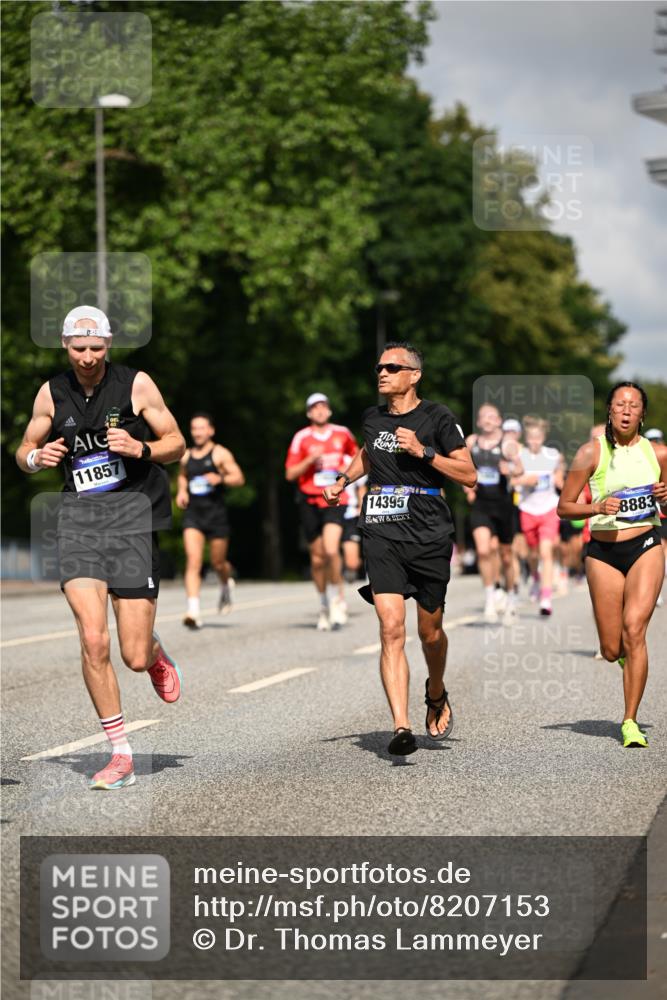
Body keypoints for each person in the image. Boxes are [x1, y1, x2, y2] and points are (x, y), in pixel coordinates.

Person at [16, 306, 185, 789]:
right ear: (65, 346)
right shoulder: (51, 392)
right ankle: (120, 753)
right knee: (93, 638)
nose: (87, 357)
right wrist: (35, 456)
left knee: (132, 653)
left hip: (132, 521)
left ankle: (154, 655)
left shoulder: (137, 385)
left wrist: (143, 449)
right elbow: (24, 448)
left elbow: (175, 442)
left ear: (108, 344)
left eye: (96, 348)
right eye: (78, 348)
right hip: (79, 523)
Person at [323, 342, 477, 756]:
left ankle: (437, 689)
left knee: (430, 633)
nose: (383, 373)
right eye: (379, 367)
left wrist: (424, 451)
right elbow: (368, 455)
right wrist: (342, 480)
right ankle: (401, 725)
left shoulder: (438, 417)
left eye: (392, 367)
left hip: (428, 530)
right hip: (381, 529)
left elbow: (469, 473)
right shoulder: (372, 418)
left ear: (414, 375)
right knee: (391, 628)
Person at [558, 382, 667, 748]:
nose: (625, 410)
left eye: (633, 406)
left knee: (634, 628)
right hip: (603, 552)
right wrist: (596, 507)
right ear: (608, 410)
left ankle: (630, 721)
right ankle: (625, 661)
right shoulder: (591, 452)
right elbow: (564, 507)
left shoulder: (660, 454)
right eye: (619, 404)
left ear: (641, 414)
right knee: (610, 648)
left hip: (646, 544)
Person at [286, 393, 358, 630]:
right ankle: (324, 604)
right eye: (314, 407)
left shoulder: (342, 434)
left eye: (323, 406)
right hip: (309, 500)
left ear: (329, 411)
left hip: (336, 498)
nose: (319, 411)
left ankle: (339, 598)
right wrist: (309, 460)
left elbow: (358, 458)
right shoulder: (301, 438)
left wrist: (345, 475)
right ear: (308, 413)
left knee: (330, 549)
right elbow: (290, 474)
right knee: (317, 560)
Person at [176, 412, 245, 629]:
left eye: (201, 428)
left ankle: (226, 583)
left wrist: (221, 478)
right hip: (194, 515)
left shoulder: (220, 454)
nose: (197, 432)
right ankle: (193, 611)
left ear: (211, 430)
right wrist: (181, 491)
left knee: (218, 563)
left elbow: (239, 478)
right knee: (194, 561)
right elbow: (182, 475)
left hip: (216, 515)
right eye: (194, 428)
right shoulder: (187, 456)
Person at [465, 404, 522, 624]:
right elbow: (463, 467)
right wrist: (467, 486)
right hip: (481, 505)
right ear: (479, 422)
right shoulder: (471, 442)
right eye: (483, 417)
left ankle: (511, 597)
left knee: (506, 555)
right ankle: (490, 598)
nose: (487, 420)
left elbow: (520, 469)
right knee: (482, 550)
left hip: (503, 504)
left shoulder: (508, 444)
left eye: (492, 417)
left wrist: (510, 470)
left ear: (499, 421)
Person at [511, 418, 565, 616]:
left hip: (549, 509)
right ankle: (535, 576)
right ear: (527, 438)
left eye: (538, 437)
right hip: (528, 510)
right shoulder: (521, 457)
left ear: (543, 437)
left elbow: (560, 476)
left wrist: (560, 480)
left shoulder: (552, 455)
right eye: (531, 438)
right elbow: (513, 480)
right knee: (532, 553)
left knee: (546, 552)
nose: (534, 441)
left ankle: (546, 598)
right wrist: (525, 480)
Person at [645, 427, 667, 606]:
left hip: (666, 510)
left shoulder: (664, 456)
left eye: (657, 440)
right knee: (658, 550)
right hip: (652, 514)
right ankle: (655, 590)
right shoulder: (643, 459)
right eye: (652, 440)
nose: (655, 443)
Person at [342, 474, 368, 584]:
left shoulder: (351, 460)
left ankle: (351, 569)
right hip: (329, 512)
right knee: (330, 552)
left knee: (352, 563)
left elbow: (361, 486)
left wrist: (361, 508)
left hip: (350, 515)